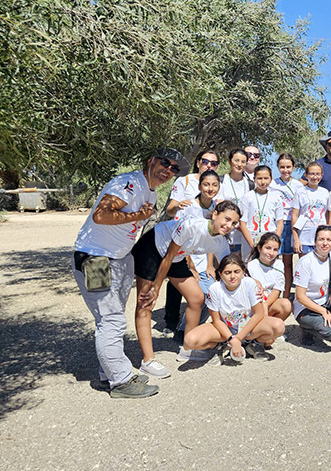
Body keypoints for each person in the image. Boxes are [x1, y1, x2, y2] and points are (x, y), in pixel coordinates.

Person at [73, 148, 185, 398]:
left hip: (119, 259)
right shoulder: (129, 182)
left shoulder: (152, 193)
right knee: (111, 319)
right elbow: (101, 215)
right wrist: (139, 214)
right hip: (96, 258)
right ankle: (121, 381)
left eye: (174, 168)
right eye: (165, 163)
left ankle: (109, 373)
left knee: (111, 317)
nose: (168, 170)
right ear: (150, 161)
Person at [133, 201, 240, 375]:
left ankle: (188, 349)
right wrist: (156, 287)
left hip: (176, 258)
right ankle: (147, 361)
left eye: (234, 223)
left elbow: (232, 269)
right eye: (227, 219)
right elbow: (167, 256)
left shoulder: (221, 243)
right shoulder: (191, 225)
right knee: (145, 302)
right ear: (215, 214)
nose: (229, 225)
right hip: (153, 247)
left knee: (197, 298)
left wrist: (252, 283)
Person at [183, 253, 285, 362]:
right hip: (225, 329)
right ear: (220, 274)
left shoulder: (249, 283)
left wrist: (239, 337)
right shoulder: (214, 289)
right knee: (189, 341)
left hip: (248, 327)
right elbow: (216, 320)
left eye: (237, 272)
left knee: (278, 326)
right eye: (227, 272)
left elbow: (258, 314)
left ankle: (253, 344)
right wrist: (231, 339)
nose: (232, 276)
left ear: (243, 272)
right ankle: (220, 345)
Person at [163, 169, 222, 337]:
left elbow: (213, 237)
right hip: (186, 259)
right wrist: (190, 265)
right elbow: (180, 238)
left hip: (204, 261)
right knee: (200, 296)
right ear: (199, 185)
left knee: (211, 293)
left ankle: (190, 329)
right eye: (206, 184)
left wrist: (211, 265)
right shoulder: (188, 207)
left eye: (214, 185)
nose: (210, 188)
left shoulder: (216, 208)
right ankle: (183, 332)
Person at [270, 153, 304, 297]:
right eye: (282, 167)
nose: (285, 170)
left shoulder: (298, 185)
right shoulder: (272, 184)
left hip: (292, 224)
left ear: (293, 167)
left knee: (288, 263)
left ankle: (286, 294)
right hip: (277, 223)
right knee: (273, 260)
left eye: (288, 167)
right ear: (278, 167)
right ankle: (273, 294)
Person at [238, 165, 284, 260]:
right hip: (250, 240)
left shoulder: (276, 198)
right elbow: (242, 223)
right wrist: (252, 244)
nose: (263, 182)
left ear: (271, 179)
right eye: (259, 178)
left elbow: (280, 223)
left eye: (266, 178)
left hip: (269, 240)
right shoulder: (247, 197)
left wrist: (275, 242)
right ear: (254, 179)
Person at [246, 232, 292, 321]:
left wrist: (266, 305)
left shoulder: (279, 265)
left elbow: (277, 290)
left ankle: (271, 327)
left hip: (269, 302)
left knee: (286, 305)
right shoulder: (251, 265)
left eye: (275, 250)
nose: (271, 253)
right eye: (268, 248)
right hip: (255, 303)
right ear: (259, 248)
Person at [216, 148, 252, 253]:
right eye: (236, 160)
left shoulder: (250, 184)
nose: (239, 164)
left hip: (242, 237)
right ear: (229, 161)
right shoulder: (221, 181)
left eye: (243, 161)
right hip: (223, 235)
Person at [165, 149, 219, 218]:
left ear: (216, 167)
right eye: (205, 162)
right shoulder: (184, 180)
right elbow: (170, 211)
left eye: (213, 163)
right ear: (198, 164)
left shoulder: (220, 186)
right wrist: (178, 205)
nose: (209, 165)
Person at [291, 161, 329, 256]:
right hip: (304, 238)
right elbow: (294, 216)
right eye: (312, 174)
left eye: (317, 174)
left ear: (321, 175)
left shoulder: (325, 193)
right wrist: (296, 239)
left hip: (321, 239)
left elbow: (328, 215)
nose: (315, 177)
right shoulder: (300, 192)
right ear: (306, 175)